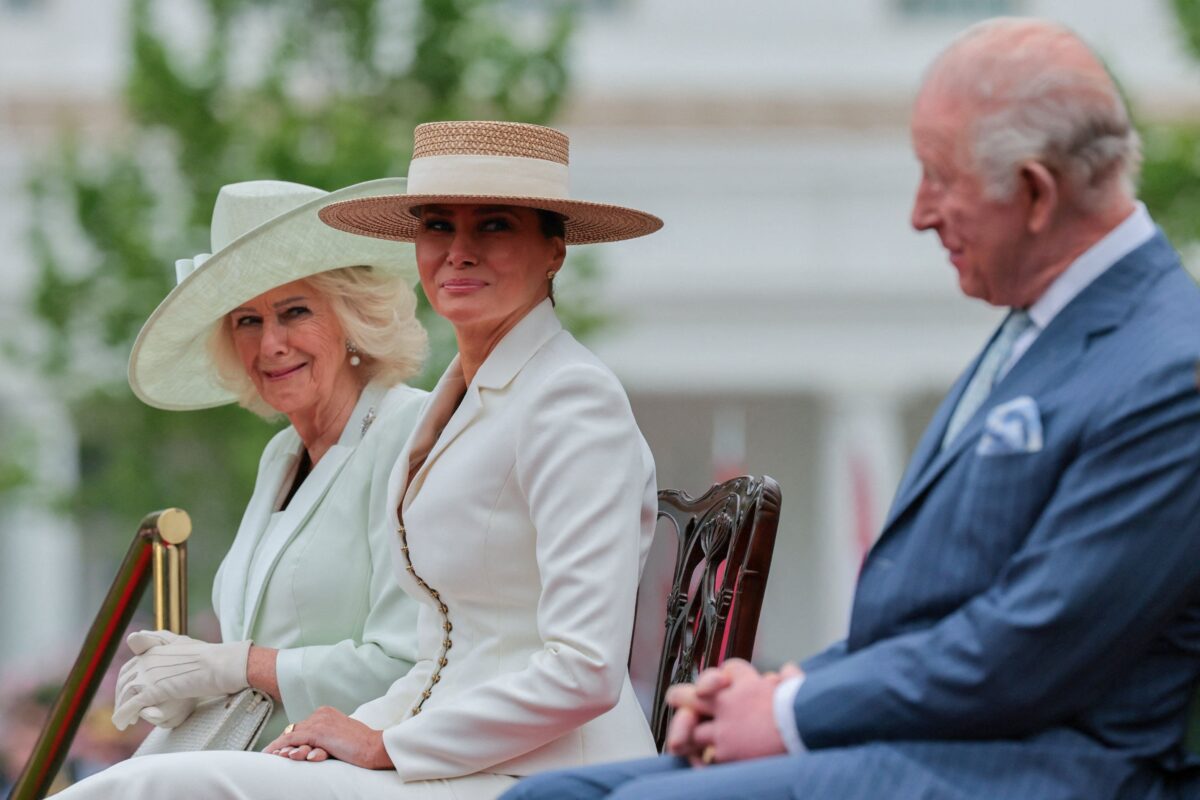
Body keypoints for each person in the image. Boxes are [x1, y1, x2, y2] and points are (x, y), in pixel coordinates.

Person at [502, 17, 1200, 800]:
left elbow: (1036, 642)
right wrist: (776, 690)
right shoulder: (1036, 328)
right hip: (927, 742)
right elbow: (928, 618)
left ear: (1036, 192)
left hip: (1041, 769)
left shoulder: (1172, 370)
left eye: (940, 177)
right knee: (548, 796)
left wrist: (792, 709)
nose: (919, 212)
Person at [57, 120, 664, 800]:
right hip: (445, 761)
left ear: (554, 249)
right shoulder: (463, 400)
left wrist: (383, 743)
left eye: (493, 226)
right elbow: (441, 655)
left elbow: (585, 669)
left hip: (545, 775)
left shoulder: (572, 397)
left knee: (149, 791)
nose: (458, 252)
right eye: (437, 226)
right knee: (137, 784)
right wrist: (334, 733)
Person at [107, 179, 429, 745]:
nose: (270, 344)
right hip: (255, 753)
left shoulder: (413, 435)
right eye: (247, 320)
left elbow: (409, 665)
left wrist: (235, 665)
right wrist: (193, 681)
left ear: (354, 318)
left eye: (294, 311)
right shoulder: (281, 455)